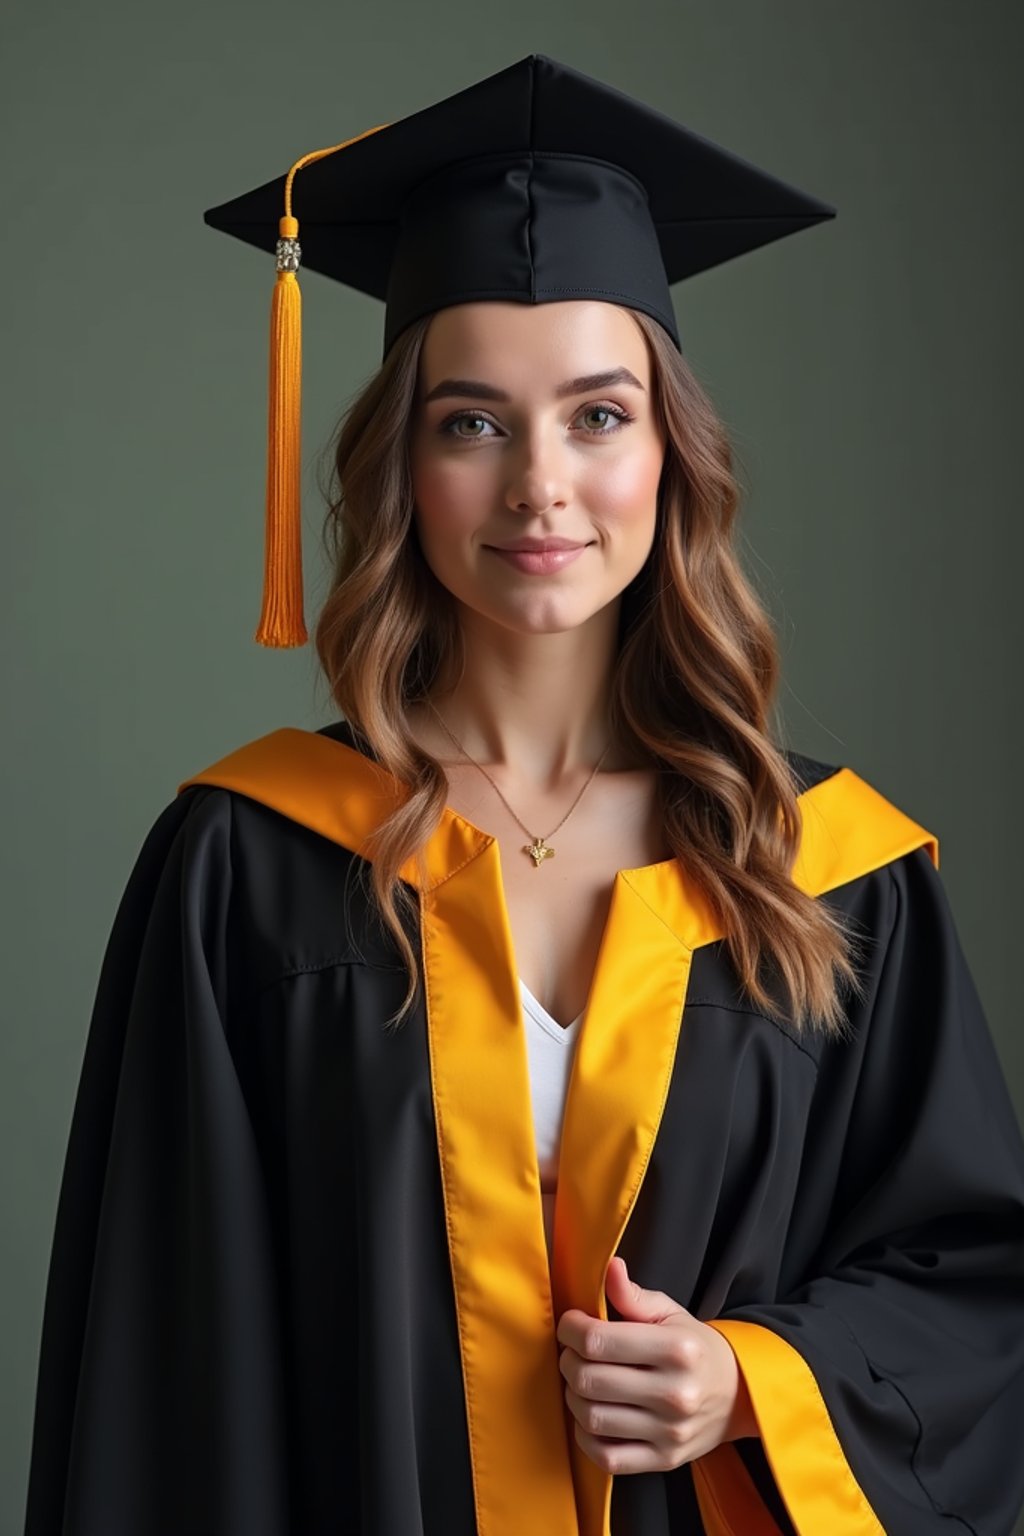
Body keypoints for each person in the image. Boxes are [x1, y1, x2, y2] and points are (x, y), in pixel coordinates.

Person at [23, 52, 1024, 1536]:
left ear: (672, 453)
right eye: (473, 421)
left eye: (600, 416)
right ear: (401, 466)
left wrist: (748, 1381)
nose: (540, 485)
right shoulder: (247, 869)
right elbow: (167, 1381)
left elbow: (976, 1295)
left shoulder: (830, 868)